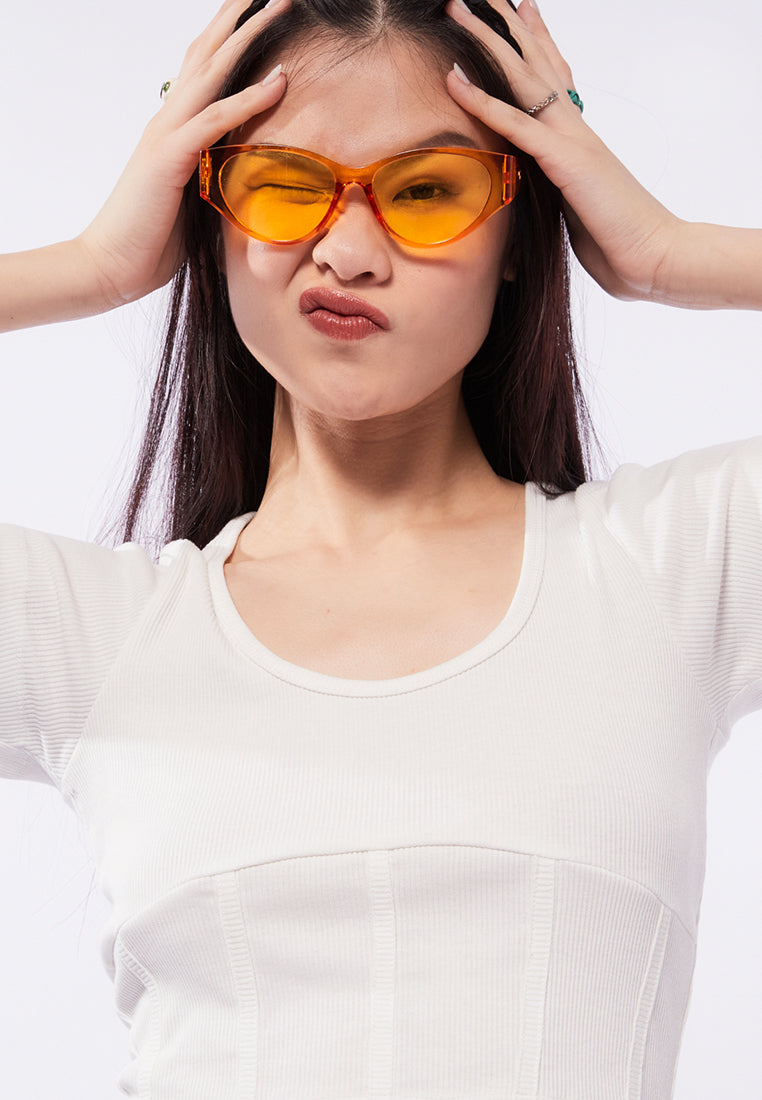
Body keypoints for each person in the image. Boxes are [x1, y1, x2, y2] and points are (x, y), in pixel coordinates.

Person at [1, 0, 760, 1096]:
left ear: (517, 236)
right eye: (283, 184)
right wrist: (90, 265)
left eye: (427, 191)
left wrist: (671, 254)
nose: (348, 252)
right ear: (207, 210)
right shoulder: (99, 634)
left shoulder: (671, 572)